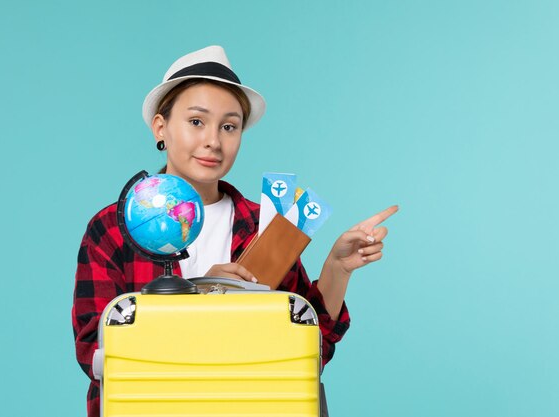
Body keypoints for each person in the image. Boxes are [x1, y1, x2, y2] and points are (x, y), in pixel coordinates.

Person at [72, 45, 398, 416]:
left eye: (229, 126)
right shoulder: (113, 228)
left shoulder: (266, 226)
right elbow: (97, 356)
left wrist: (337, 269)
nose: (213, 140)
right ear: (161, 127)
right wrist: (201, 293)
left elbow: (311, 351)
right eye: (197, 121)